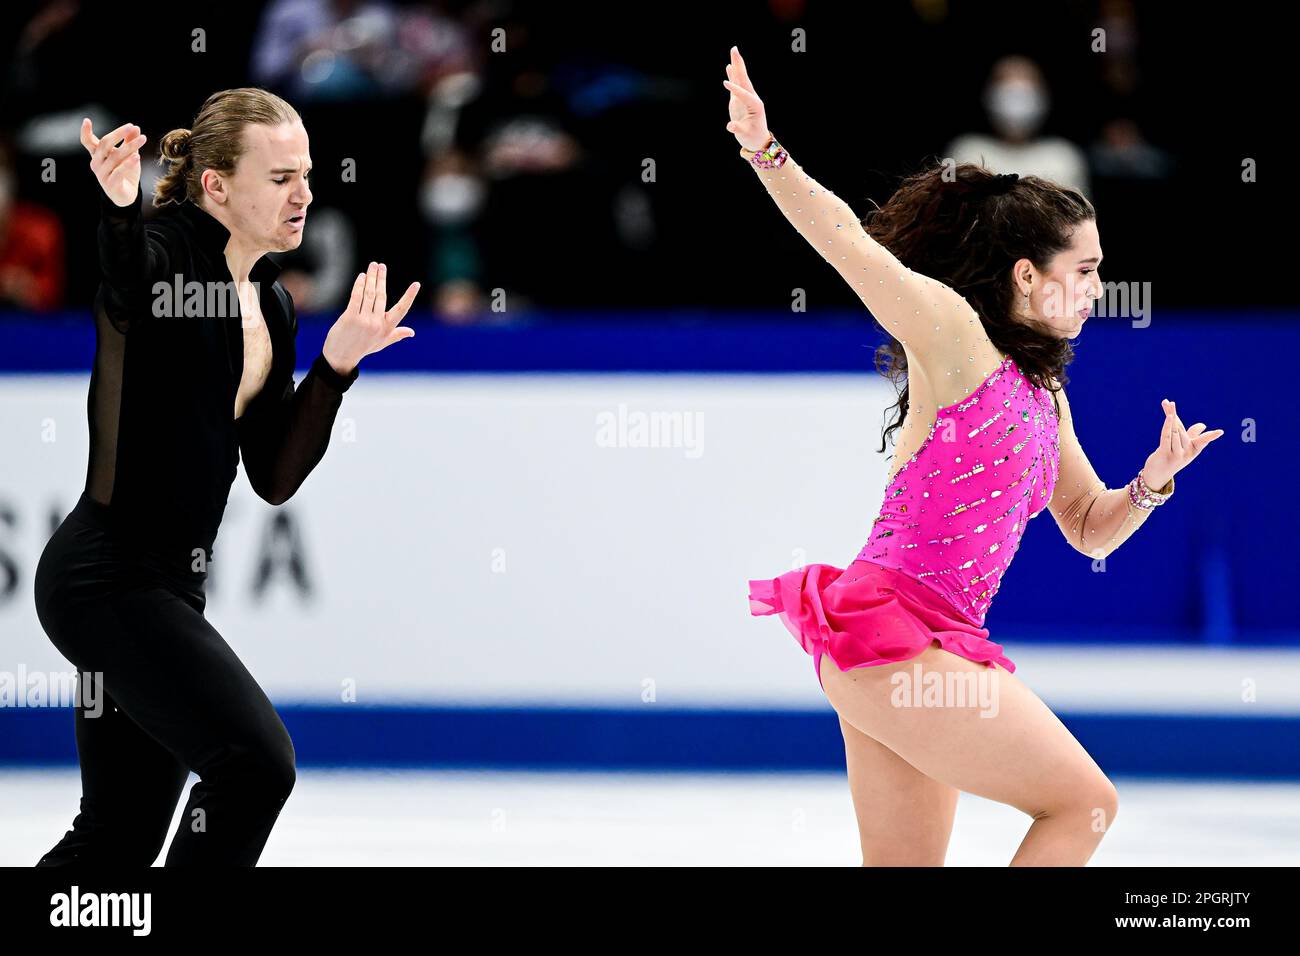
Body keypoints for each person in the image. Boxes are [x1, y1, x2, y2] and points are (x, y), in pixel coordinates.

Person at [724, 46, 1223, 866]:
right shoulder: (956, 338)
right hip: (893, 638)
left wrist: (1150, 484)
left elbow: (1088, 527)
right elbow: (850, 245)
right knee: (1085, 806)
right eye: (1086, 269)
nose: (1099, 287)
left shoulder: (1044, 391)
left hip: (917, 650)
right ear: (1027, 275)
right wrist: (763, 149)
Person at [33, 87, 419, 866]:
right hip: (104, 581)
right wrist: (116, 210)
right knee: (254, 764)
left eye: (306, 174)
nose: (304, 194)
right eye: (279, 178)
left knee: (115, 840)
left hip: (166, 591)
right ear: (217, 186)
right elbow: (130, 284)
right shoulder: (168, 252)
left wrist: (336, 369)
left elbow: (274, 477)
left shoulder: (272, 305)